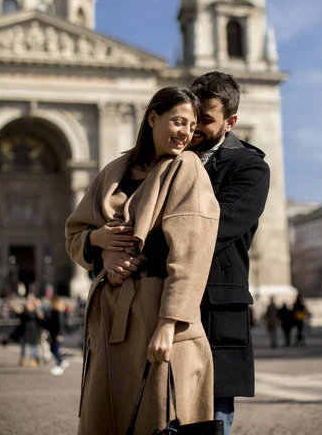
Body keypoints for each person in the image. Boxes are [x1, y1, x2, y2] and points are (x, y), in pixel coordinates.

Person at [103, 72, 271, 435]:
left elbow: (211, 230)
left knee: (206, 418)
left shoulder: (250, 168)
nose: (192, 129)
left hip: (212, 308)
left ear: (231, 122)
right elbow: (118, 214)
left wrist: (134, 249)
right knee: (152, 413)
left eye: (205, 120)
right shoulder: (165, 159)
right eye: (189, 118)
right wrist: (104, 248)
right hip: (153, 303)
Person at [65, 87, 220, 435]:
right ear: (153, 118)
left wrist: (169, 323)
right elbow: (73, 235)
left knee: (157, 416)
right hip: (110, 316)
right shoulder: (112, 172)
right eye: (177, 121)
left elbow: (190, 254)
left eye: (191, 125)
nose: (185, 132)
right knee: (109, 414)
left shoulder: (187, 168)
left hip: (157, 311)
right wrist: (98, 243)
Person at [45, 296, 69, 375]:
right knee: (52, 348)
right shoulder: (53, 311)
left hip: (57, 334)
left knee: (55, 349)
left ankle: (60, 365)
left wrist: (59, 334)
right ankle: (61, 361)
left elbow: (60, 324)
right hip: (53, 333)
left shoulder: (58, 312)